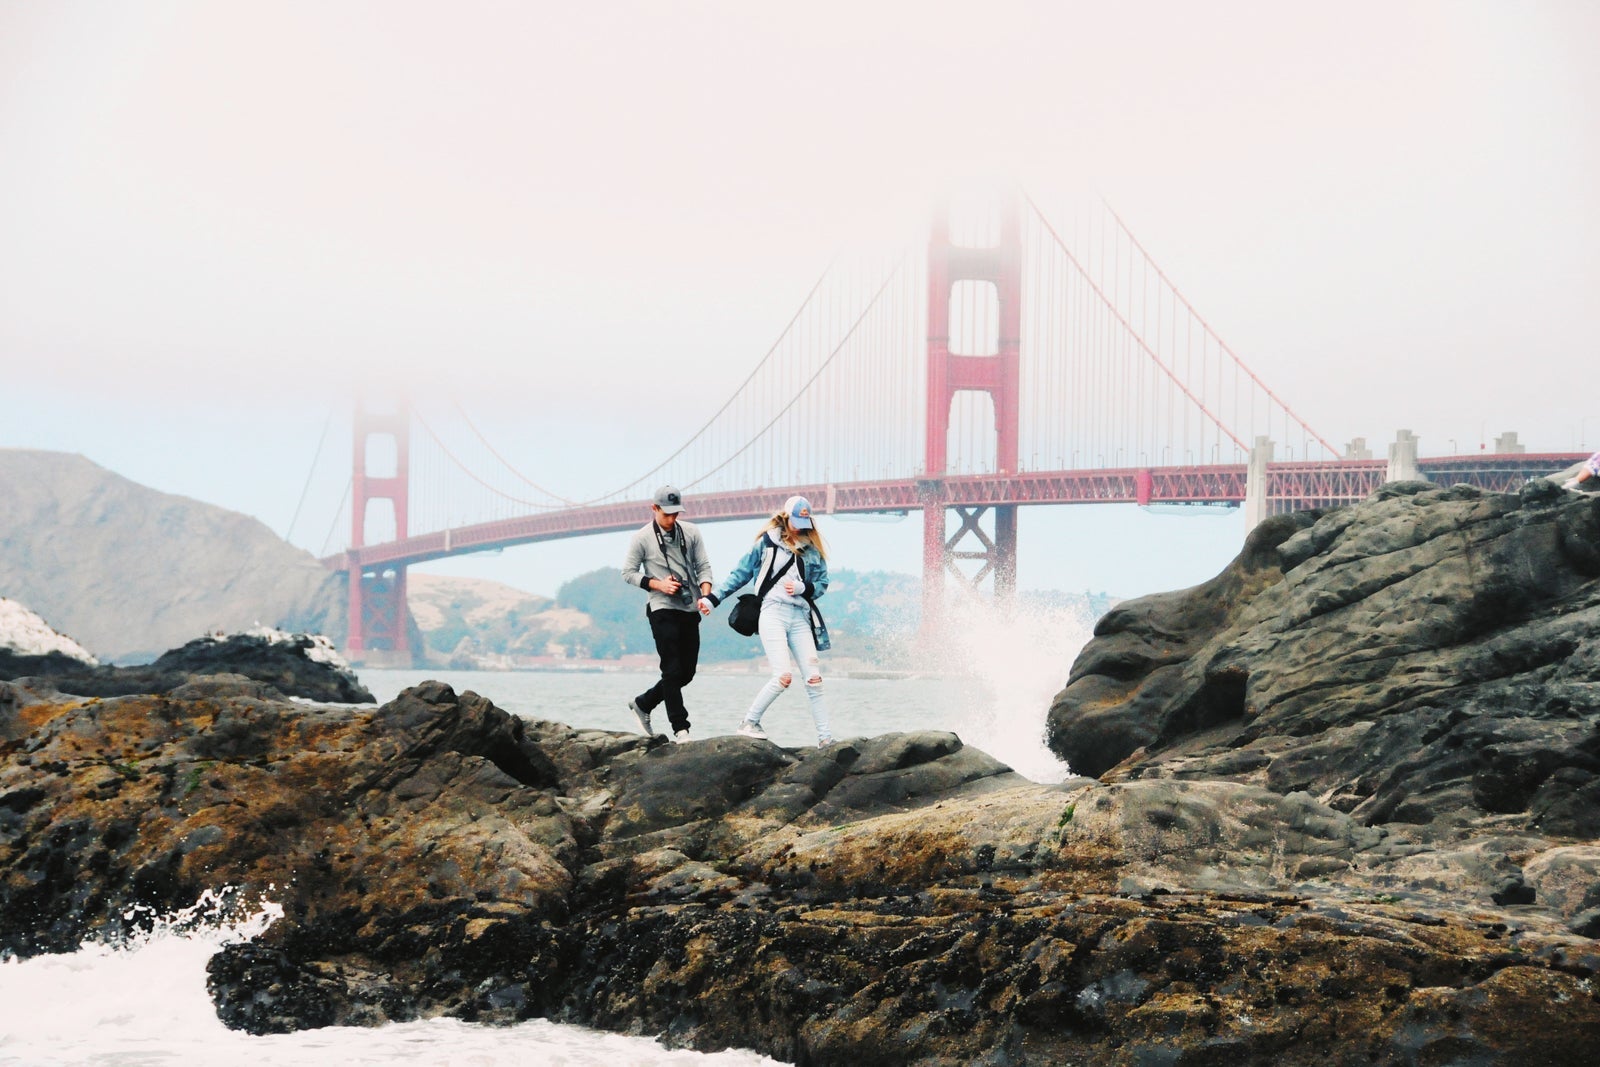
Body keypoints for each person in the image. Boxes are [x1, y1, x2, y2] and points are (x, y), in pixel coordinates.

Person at [702, 495, 834, 747]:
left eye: (804, 521)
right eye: (796, 520)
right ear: (786, 517)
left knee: (814, 679)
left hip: (800, 617)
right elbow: (740, 574)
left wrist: (803, 587)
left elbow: (822, 584)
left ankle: (825, 739)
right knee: (783, 676)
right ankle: (749, 722)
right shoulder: (767, 543)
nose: (800, 526)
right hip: (772, 612)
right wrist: (713, 598)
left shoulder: (813, 549)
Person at [621, 485, 713, 742]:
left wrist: (705, 596)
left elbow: (704, 567)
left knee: (687, 673)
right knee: (671, 670)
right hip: (661, 608)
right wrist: (659, 584)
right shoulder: (642, 538)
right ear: (654, 509)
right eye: (667, 515)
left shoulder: (692, 532)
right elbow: (628, 572)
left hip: (689, 606)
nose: (672, 520)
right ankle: (681, 728)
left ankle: (643, 703)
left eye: (676, 514)